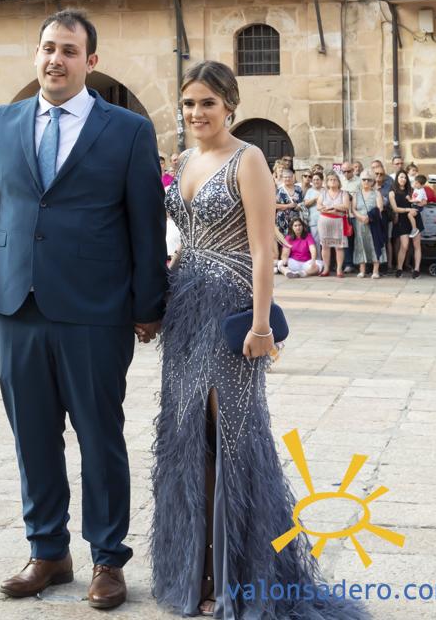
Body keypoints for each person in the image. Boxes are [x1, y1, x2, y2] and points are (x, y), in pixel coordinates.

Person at [0, 9, 167, 611]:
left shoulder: (128, 131)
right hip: (17, 306)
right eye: (47, 48)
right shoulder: (3, 120)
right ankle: (48, 552)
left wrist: (149, 306)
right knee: (33, 437)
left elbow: (146, 224)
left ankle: (108, 558)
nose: (55, 60)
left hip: (96, 310)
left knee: (99, 436)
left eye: (68, 50)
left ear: (91, 61)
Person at [150, 61, 368, 620]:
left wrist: (262, 325)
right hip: (185, 305)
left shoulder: (247, 159)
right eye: (189, 103)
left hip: (230, 306)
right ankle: (193, 572)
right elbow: (186, 236)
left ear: (230, 105)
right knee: (186, 434)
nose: (196, 112)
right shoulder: (183, 160)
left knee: (232, 435)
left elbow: (263, 249)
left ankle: (239, 578)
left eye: (207, 103)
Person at [351, 171, 386, 279]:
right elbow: (353, 209)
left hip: (373, 222)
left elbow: (380, 208)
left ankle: (375, 271)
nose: (366, 181)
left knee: (374, 244)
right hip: (359, 223)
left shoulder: (376, 193)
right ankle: (362, 270)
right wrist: (361, 217)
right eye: (364, 179)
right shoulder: (356, 194)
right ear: (361, 181)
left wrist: (369, 217)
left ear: (372, 181)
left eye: (369, 179)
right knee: (360, 244)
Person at [317, 171, 350, 277]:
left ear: (339, 182)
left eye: (335, 179)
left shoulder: (343, 193)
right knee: (325, 246)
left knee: (339, 246)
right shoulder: (323, 193)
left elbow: (346, 206)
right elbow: (318, 206)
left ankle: (339, 269)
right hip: (324, 222)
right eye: (330, 179)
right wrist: (326, 209)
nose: (332, 181)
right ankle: (326, 268)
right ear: (327, 182)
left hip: (338, 222)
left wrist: (333, 207)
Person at [389, 170, 422, 278]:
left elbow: (421, 201)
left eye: (405, 177)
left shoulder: (412, 190)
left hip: (414, 218)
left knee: (416, 245)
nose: (403, 179)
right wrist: (408, 209)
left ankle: (417, 269)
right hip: (403, 220)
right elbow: (395, 209)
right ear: (397, 178)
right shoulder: (392, 192)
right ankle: (399, 268)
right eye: (401, 177)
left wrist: (419, 205)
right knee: (404, 245)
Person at [274, 168, 304, 238]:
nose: (287, 179)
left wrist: (299, 206)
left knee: (296, 238)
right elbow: (274, 205)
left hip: (296, 221)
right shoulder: (279, 190)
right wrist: (288, 206)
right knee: (284, 239)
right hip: (282, 220)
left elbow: (302, 202)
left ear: (292, 177)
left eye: (289, 177)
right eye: (285, 177)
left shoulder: (298, 189)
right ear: (282, 178)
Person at [303, 171, 323, 253]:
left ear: (322, 180)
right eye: (314, 180)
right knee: (316, 241)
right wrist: (315, 199)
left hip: (326, 220)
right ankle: (318, 259)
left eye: (317, 179)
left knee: (326, 242)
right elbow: (306, 204)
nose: (315, 181)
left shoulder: (326, 190)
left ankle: (328, 260)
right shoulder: (309, 191)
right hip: (314, 220)